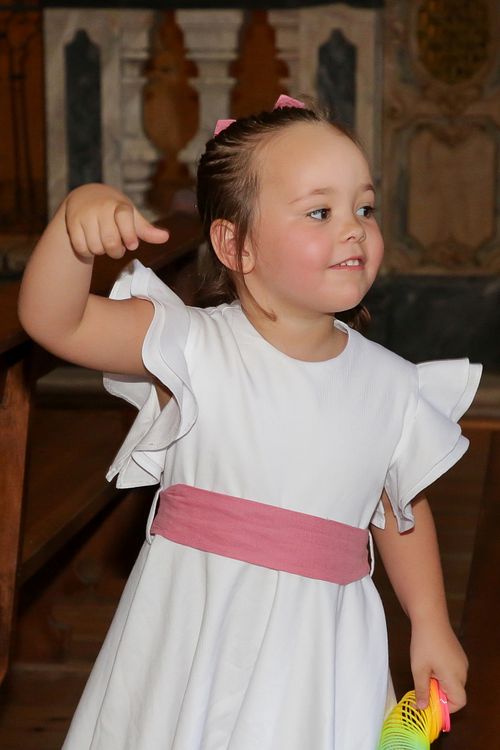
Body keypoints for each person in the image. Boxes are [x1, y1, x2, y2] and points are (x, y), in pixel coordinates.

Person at [18, 95, 481, 749]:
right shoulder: (193, 347)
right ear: (235, 244)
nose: (354, 229)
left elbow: (398, 506)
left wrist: (430, 622)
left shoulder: (391, 384)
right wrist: (73, 228)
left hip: (322, 649)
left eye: (364, 208)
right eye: (320, 211)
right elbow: (56, 322)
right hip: (196, 632)